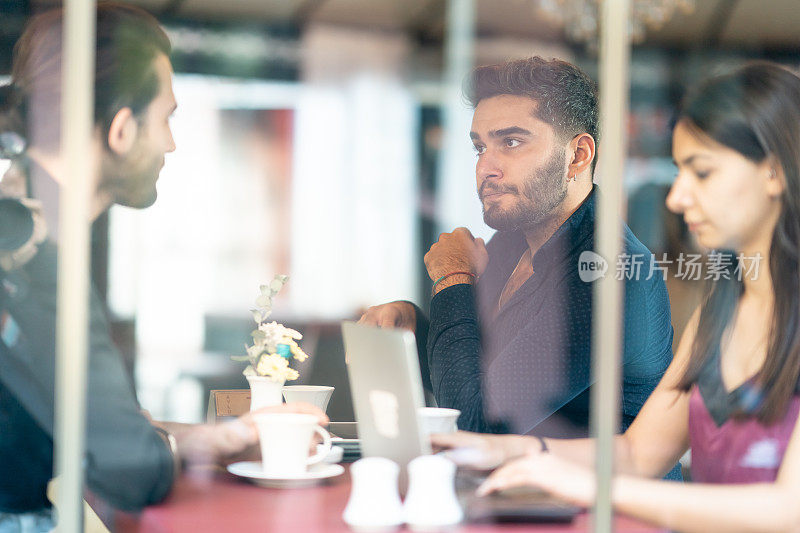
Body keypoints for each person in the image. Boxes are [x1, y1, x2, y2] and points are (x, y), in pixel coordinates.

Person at [433, 62, 800, 532]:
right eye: (680, 171)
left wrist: (584, 485)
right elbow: (636, 451)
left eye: (702, 173)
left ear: (774, 174)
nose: (676, 198)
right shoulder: (723, 311)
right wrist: (516, 450)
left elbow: (789, 510)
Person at [0, 4, 326, 528]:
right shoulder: (34, 254)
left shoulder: (20, 222)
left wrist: (223, 436)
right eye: (165, 118)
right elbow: (130, 470)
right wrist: (218, 442)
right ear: (122, 130)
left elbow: (97, 430)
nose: (171, 143)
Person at [361, 57, 675, 442]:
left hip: (596, 501)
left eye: (511, 142)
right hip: (519, 493)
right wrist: (412, 327)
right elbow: (470, 380)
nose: (485, 168)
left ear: (578, 156)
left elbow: (477, 425)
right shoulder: (513, 242)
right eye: (480, 148)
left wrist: (454, 278)